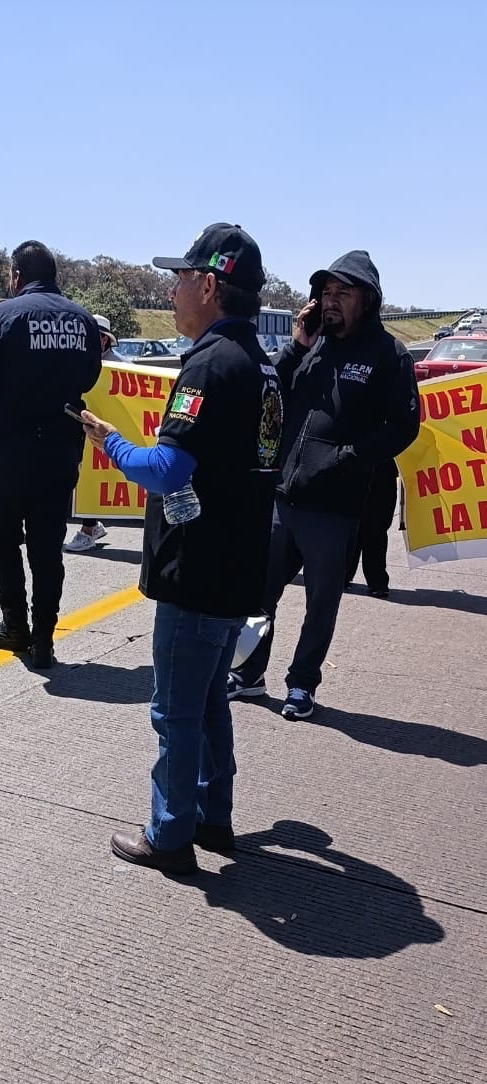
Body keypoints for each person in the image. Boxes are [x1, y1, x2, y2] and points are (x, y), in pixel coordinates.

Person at [79, 222, 283, 874]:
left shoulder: (209, 364)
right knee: (211, 700)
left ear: (209, 286)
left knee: (175, 711)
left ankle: (170, 836)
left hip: (198, 566)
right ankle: (212, 815)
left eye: (180, 279)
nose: (171, 293)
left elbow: (167, 469)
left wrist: (110, 442)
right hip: (239, 561)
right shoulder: (261, 364)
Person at [228, 251, 419, 719]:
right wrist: (297, 345)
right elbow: (268, 387)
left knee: (321, 604)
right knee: (257, 592)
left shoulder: (389, 355)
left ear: (367, 299)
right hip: (282, 497)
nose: (330, 301)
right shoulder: (312, 345)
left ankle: (302, 684)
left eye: (342, 293)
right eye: (326, 292)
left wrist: (348, 458)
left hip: (334, 507)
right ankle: (249, 673)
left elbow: (404, 425)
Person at [0, 239, 102, 668]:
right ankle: (45, 640)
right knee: (47, 548)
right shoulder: (83, 319)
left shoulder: (5, 313)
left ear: (17, 276)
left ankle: (15, 625)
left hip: (10, 452)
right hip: (60, 452)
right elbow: (89, 377)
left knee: (3, 540)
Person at [65, 314, 124, 555]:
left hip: (104, 431)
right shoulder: (78, 361)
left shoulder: (120, 366)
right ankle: (92, 525)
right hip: (82, 429)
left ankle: (88, 530)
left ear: (104, 340)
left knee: (93, 477)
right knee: (83, 477)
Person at [344, 456, 398, 596]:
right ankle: (344, 575)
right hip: (356, 467)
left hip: (383, 470)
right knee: (353, 526)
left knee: (376, 529)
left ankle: (377, 582)